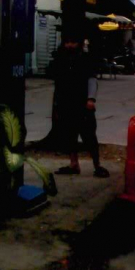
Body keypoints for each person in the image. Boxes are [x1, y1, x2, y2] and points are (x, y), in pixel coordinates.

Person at [52, 38, 110, 178]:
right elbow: (58, 85)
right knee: (70, 136)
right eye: (67, 42)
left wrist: (91, 99)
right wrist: (56, 106)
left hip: (83, 104)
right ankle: (73, 164)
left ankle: (97, 165)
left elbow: (91, 79)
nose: (69, 45)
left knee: (89, 136)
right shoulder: (61, 60)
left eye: (72, 42)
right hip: (66, 104)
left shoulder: (85, 59)